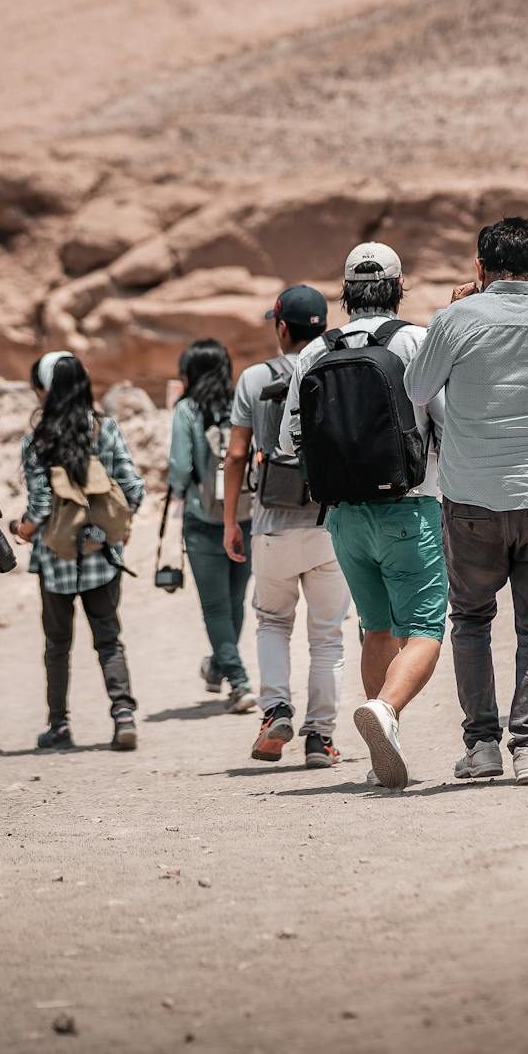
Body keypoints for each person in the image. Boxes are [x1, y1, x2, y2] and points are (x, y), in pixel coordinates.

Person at [404, 217, 528, 787]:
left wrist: (451, 313)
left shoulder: (455, 319)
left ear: (480, 268)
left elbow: (416, 389)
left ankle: (483, 745)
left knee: (470, 620)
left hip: (470, 500)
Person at [279, 243, 447, 789]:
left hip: (344, 516)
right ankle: (386, 711)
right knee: (425, 630)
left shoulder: (315, 351)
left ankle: (382, 747)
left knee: (376, 628)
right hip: (410, 507)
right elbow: (446, 421)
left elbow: (286, 438)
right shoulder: (416, 341)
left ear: (346, 293)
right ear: (397, 288)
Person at [221, 286, 351, 767]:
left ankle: (276, 709)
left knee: (273, 622)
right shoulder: (336, 366)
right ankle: (320, 738)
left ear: (281, 327)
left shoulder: (255, 378)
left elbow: (237, 454)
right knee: (327, 636)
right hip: (330, 521)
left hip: (272, 522)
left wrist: (231, 520)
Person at [11, 351, 146, 751]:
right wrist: (114, 531)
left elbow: (39, 506)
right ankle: (123, 714)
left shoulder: (37, 441)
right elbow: (133, 489)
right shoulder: (105, 429)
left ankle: (59, 725)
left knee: (57, 645)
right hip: (103, 556)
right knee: (109, 638)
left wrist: (20, 529)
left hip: (56, 560)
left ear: (45, 391)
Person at [169, 339, 257, 714]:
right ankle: (220, 665)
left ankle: (238, 682)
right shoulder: (240, 404)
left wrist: (179, 491)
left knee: (216, 608)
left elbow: (179, 466)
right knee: (234, 602)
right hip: (245, 516)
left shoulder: (187, 410)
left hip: (203, 520)